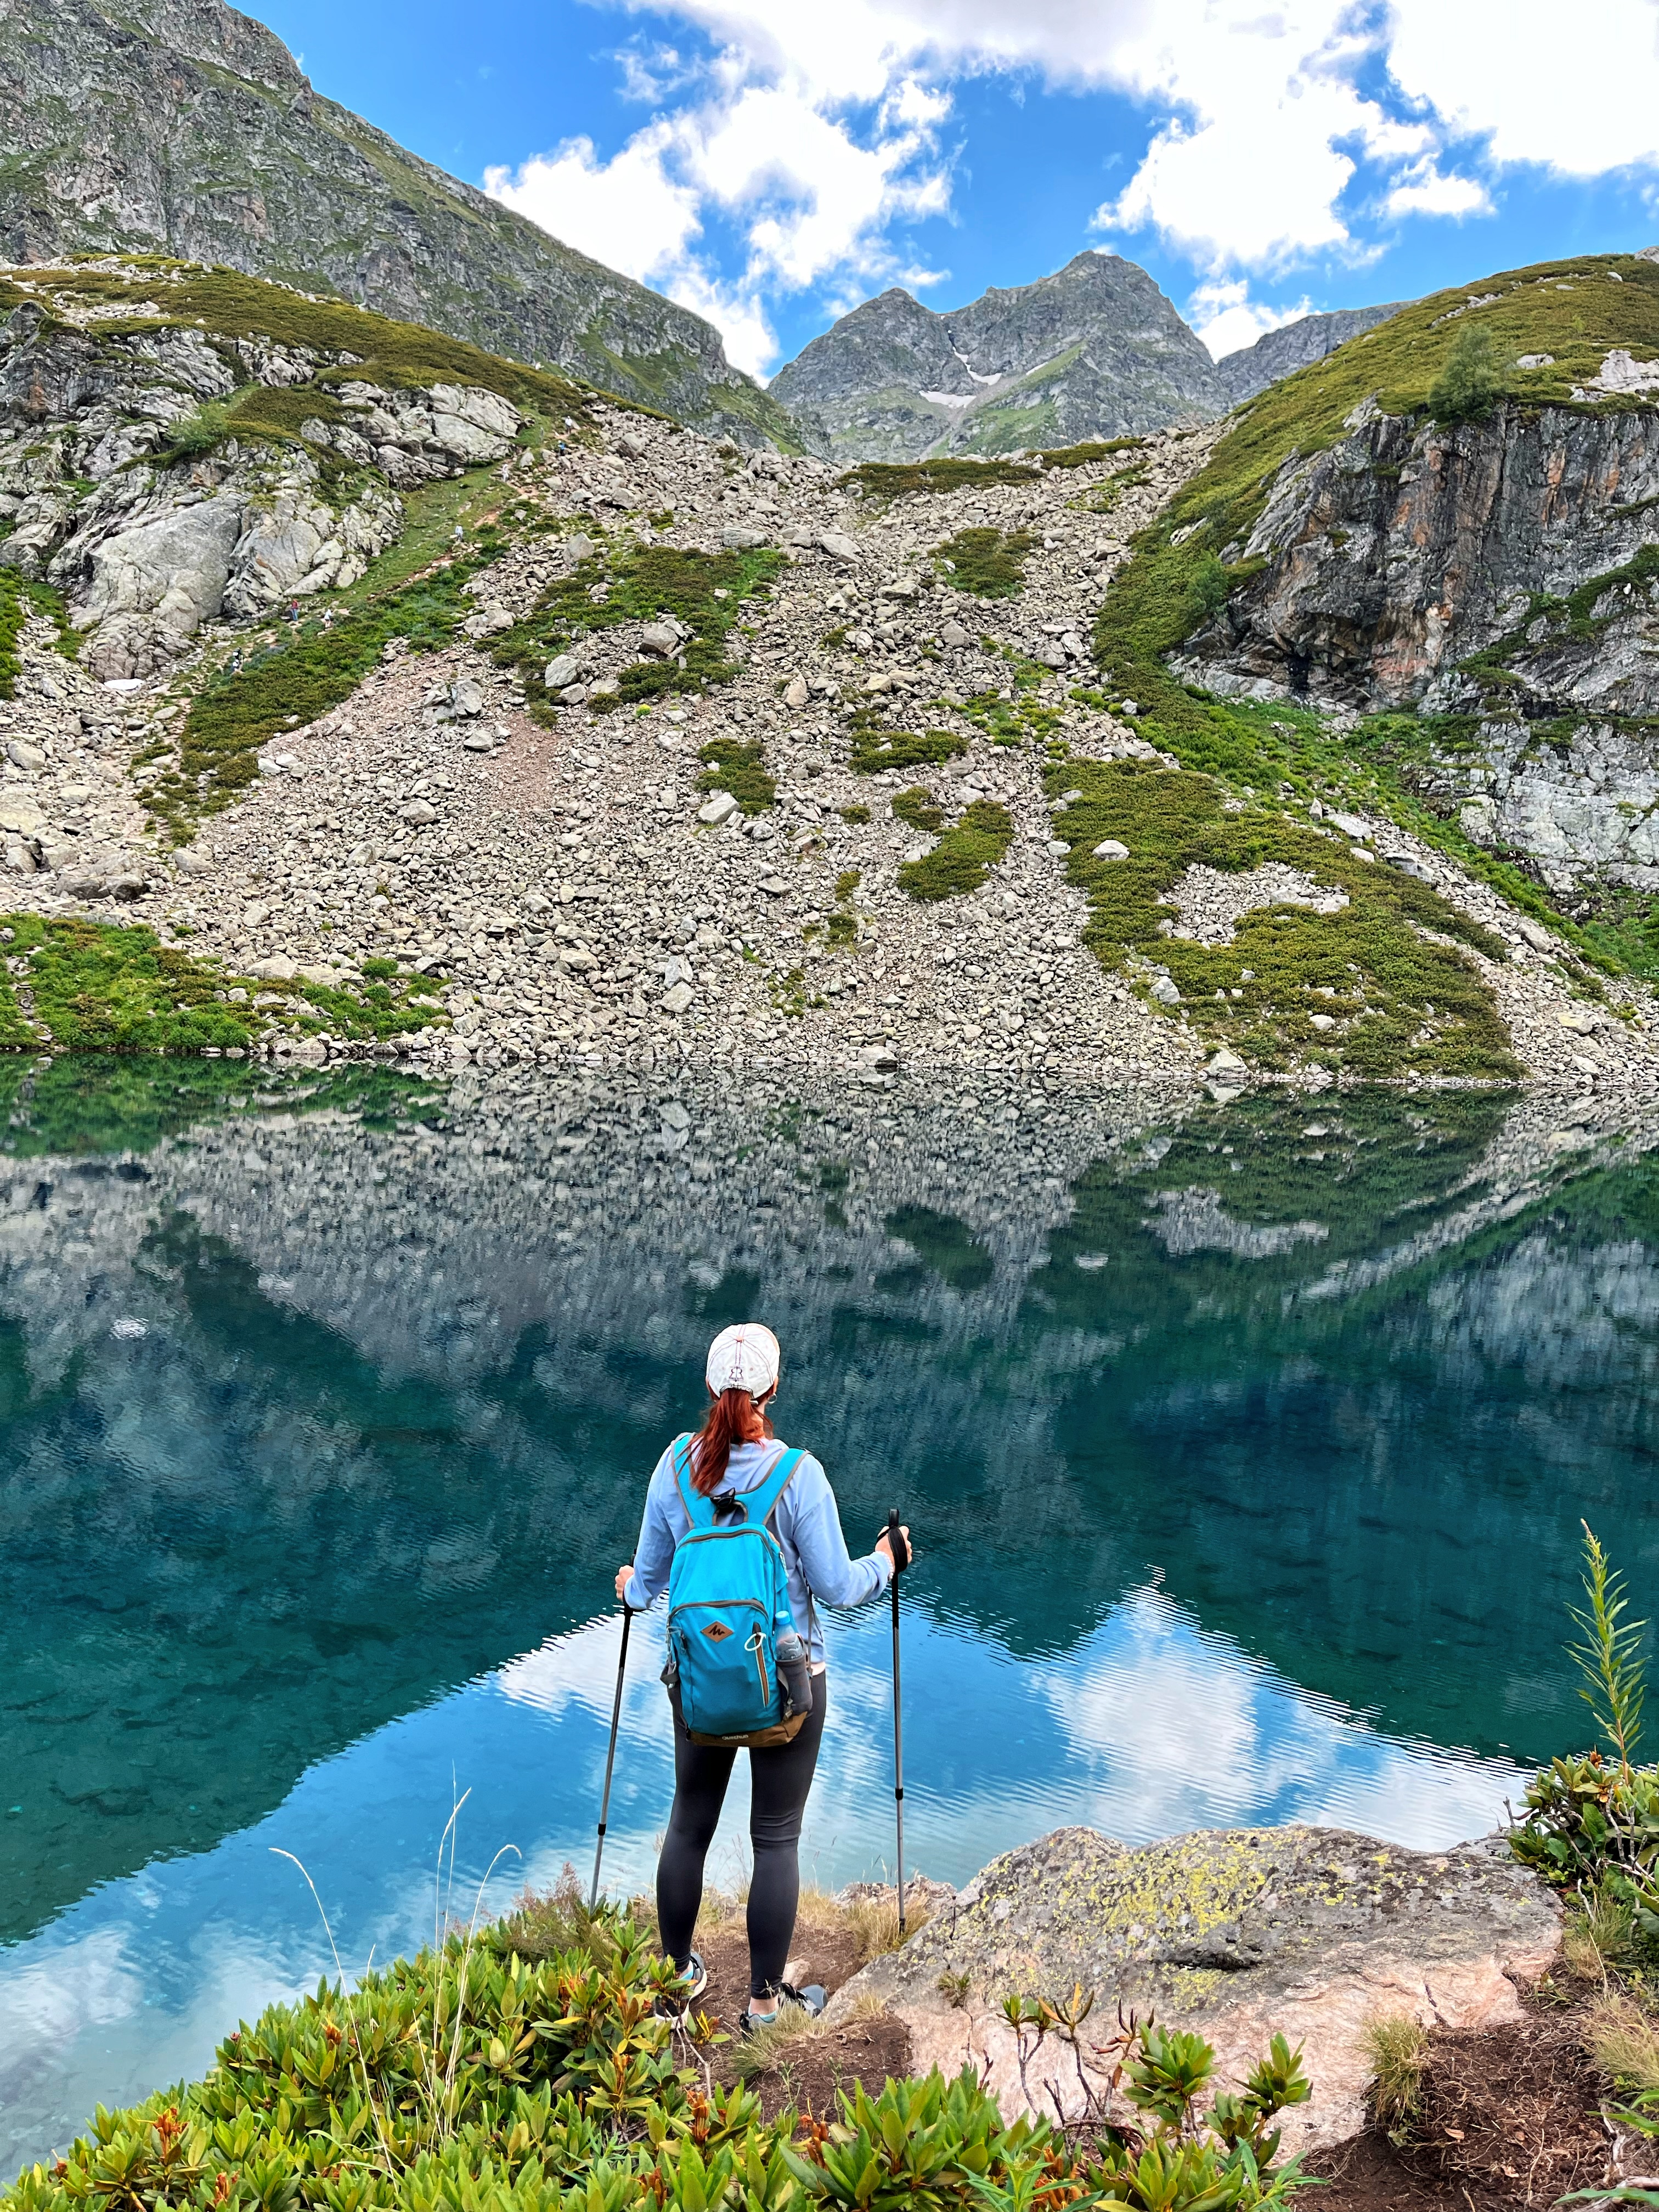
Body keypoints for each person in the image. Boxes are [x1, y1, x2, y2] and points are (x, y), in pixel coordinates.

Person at [616, 1322, 911, 2030]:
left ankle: (676, 1985)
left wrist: (627, 1587)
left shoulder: (672, 1469)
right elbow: (839, 1587)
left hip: (698, 1685)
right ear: (774, 1388)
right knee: (775, 1837)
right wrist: (890, 1561)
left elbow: (647, 1585)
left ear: (710, 1385)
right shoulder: (798, 1474)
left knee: (688, 1826)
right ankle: (762, 2008)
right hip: (790, 1682)